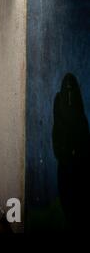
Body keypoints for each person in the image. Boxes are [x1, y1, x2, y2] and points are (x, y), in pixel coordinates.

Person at [52, 73, 90, 229]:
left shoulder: (79, 113)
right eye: (66, 88)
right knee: (67, 198)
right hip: (65, 163)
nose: (69, 92)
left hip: (78, 165)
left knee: (78, 199)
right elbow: (57, 134)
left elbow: (84, 136)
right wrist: (65, 153)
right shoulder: (60, 105)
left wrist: (78, 154)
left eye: (71, 88)